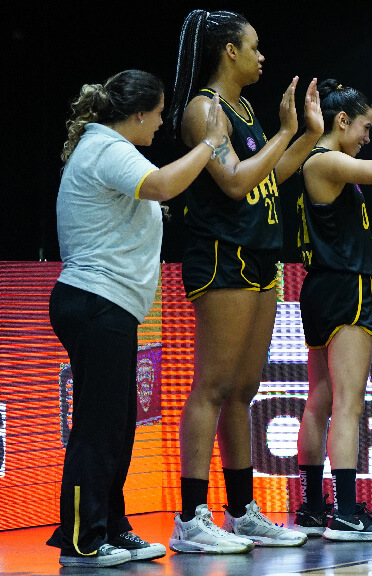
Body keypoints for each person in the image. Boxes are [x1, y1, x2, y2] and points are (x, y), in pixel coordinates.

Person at [47, 69, 225, 566]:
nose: (163, 123)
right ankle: (82, 541)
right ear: (140, 112)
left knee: (118, 425)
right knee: (97, 428)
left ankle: (112, 527)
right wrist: (211, 144)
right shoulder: (107, 149)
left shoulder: (111, 148)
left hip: (111, 306)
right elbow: (164, 185)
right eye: (161, 113)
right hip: (94, 301)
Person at [166, 9, 322, 553]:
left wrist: (305, 138)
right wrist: (284, 132)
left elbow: (266, 179)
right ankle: (189, 519)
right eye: (254, 47)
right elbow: (232, 183)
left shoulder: (244, 107)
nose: (262, 56)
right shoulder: (203, 111)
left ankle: (241, 511)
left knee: (244, 391)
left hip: (261, 254)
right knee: (212, 385)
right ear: (229, 51)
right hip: (220, 253)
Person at [292, 69, 372, 541]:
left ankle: (314, 507)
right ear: (342, 120)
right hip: (345, 289)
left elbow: (331, 221)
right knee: (349, 404)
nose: (367, 137)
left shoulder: (318, 163)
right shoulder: (326, 160)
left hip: (321, 287)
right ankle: (344, 512)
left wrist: (368, 240)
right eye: (366, 127)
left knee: (320, 399)